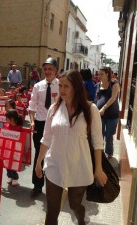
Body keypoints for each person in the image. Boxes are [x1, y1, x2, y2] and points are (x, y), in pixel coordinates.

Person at [35, 70, 107, 225]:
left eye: (66, 86)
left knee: (74, 204)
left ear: (76, 87)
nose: (62, 90)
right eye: (60, 85)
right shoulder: (53, 109)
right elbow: (46, 138)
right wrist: (39, 161)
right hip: (54, 164)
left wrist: (98, 168)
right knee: (52, 212)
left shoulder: (90, 109)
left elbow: (97, 142)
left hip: (79, 165)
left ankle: (82, 219)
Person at [28, 57, 59, 194]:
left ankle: (54, 185)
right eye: (45, 69)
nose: (47, 71)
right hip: (40, 123)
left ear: (56, 71)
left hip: (56, 124)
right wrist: (32, 121)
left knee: (55, 154)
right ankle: (37, 185)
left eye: (50, 69)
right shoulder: (37, 86)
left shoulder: (61, 85)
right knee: (39, 153)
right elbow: (32, 105)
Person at [96, 67, 120, 159]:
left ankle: (109, 153)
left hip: (112, 115)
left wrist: (103, 108)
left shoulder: (114, 84)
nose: (99, 76)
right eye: (98, 74)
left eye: (101, 74)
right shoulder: (98, 85)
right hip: (100, 115)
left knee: (109, 135)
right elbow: (98, 98)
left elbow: (113, 98)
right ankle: (100, 153)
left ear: (107, 74)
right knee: (99, 135)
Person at [4, 109, 23, 186]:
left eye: (7, 118)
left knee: (13, 164)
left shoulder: (19, 128)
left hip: (15, 149)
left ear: (11, 119)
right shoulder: (6, 126)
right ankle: (10, 176)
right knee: (7, 163)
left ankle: (15, 177)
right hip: (7, 148)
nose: (5, 120)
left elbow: (21, 139)